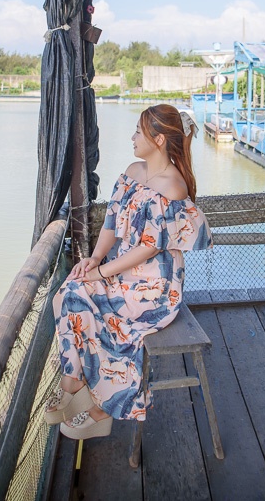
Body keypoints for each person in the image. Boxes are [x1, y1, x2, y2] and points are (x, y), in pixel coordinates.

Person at [46, 104, 213, 440]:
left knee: (109, 318)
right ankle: (73, 380)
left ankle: (101, 408)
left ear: (160, 139)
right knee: (68, 291)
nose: (132, 137)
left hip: (155, 287)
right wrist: (94, 260)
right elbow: (112, 221)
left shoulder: (174, 186)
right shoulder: (133, 171)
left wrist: (104, 273)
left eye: (139, 131)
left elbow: (149, 247)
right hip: (120, 273)